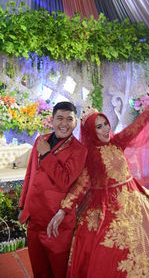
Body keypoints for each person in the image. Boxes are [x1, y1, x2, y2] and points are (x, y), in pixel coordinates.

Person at [49, 93, 149, 278]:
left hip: (136, 201)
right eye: (99, 127)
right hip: (107, 209)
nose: (105, 129)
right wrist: (63, 210)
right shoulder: (88, 156)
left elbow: (136, 127)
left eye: (105, 124)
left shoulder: (116, 142)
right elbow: (80, 185)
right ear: (89, 130)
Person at [18, 101, 87, 278]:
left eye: (69, 119)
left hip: (56, 221)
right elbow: (30, 175)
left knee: (59, 269)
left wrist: (47, 155)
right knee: (39, 268)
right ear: (52, 119)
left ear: (76, 122)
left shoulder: (79, 150)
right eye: (60, 118)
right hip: (34, 217)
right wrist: (22, 206)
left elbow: (65, 180)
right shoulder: (41, 141)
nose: (64, 123)